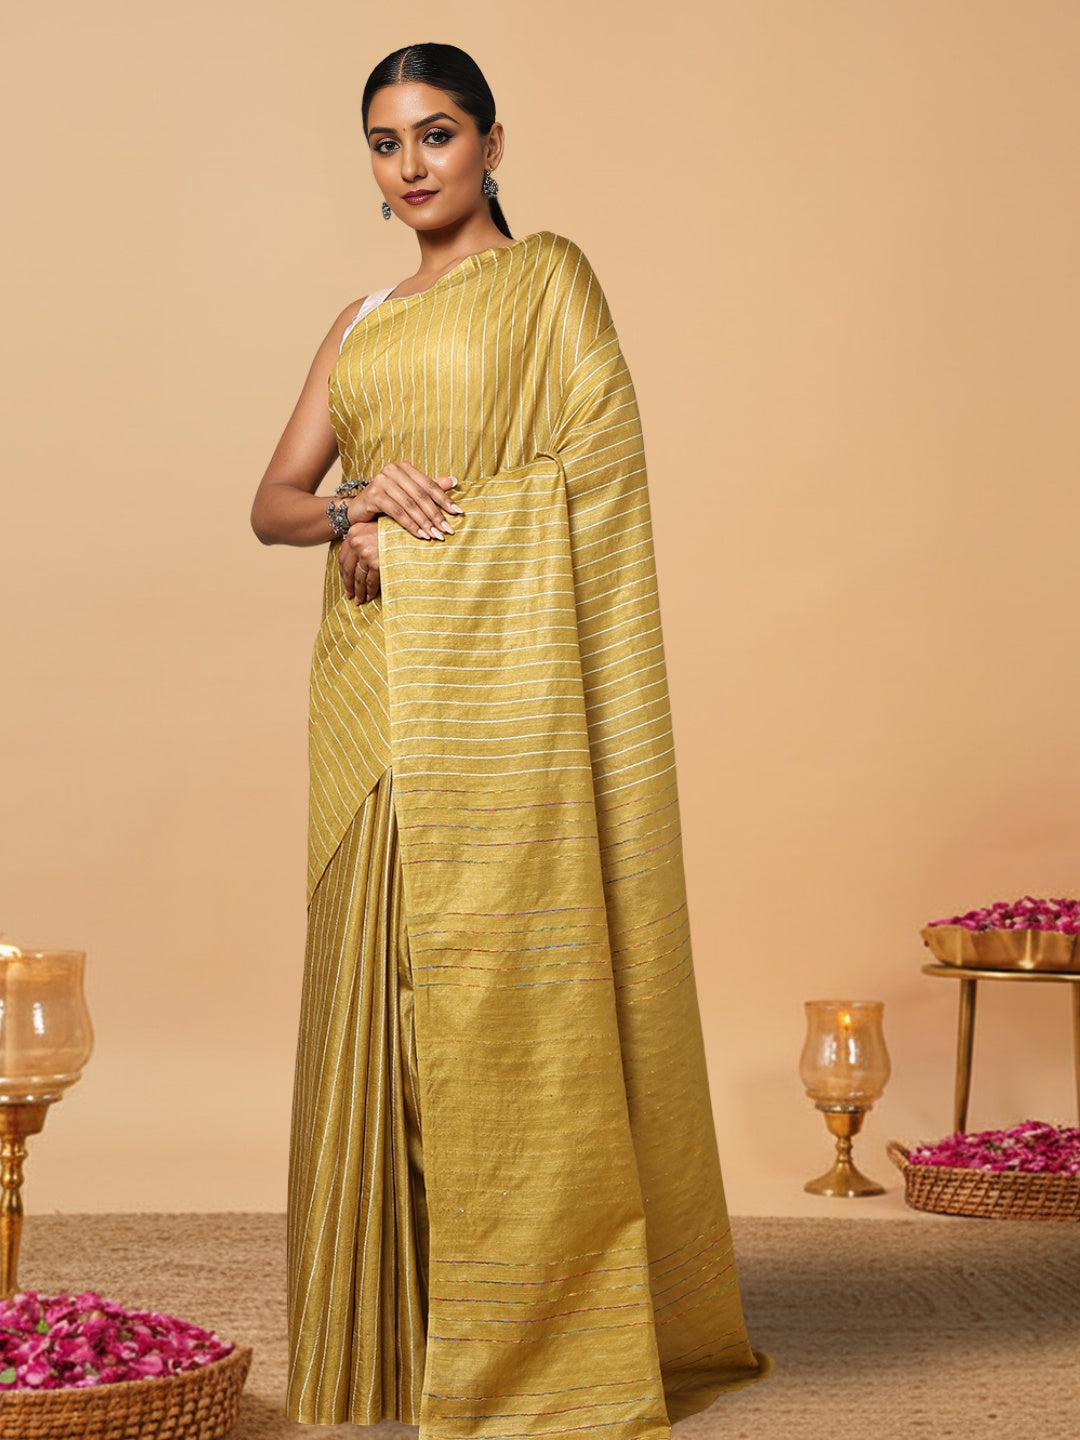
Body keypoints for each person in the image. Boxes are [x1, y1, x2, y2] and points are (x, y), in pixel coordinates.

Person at [251, 39, 772, 1437]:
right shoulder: (362, 319)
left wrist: (429, 544)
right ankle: (393, 1337)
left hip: (501, 702)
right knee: (385, 987)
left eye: (436, 133)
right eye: (385, 142)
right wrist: (358, 506)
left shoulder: (551, 281)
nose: (410, 165)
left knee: (501, 997)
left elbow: (595, 473)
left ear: (491, 141)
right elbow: (275, 503)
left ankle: (531, 1327)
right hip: (375, 695)